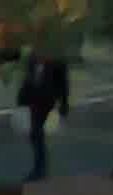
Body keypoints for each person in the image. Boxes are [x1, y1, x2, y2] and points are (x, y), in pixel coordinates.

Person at [18, 50, 73, 181]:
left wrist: (64, 103)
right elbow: (27, 79)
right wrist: (21, 97)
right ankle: (40, 167)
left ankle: (40, 169)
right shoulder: (31, 59)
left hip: (48, 100)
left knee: (36, 133)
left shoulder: (58, 60)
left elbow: (64, 83)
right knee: (35, 135)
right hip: (34, 99)